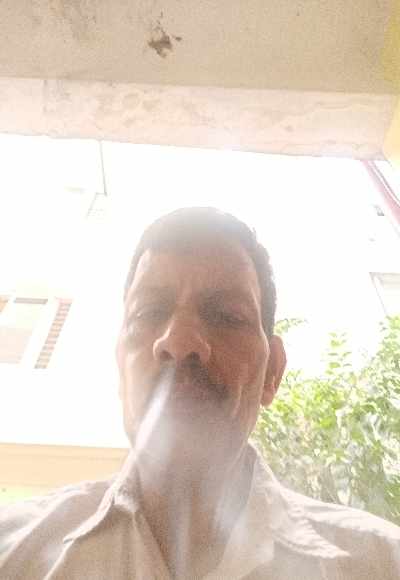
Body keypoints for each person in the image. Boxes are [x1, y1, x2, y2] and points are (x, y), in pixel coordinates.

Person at [1, 206, 399, 579]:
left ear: (272, 373)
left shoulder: (381, 563)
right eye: (149, 313)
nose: (180, 342)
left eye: (227, 316)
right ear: (120, 367)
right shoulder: (13, 555)